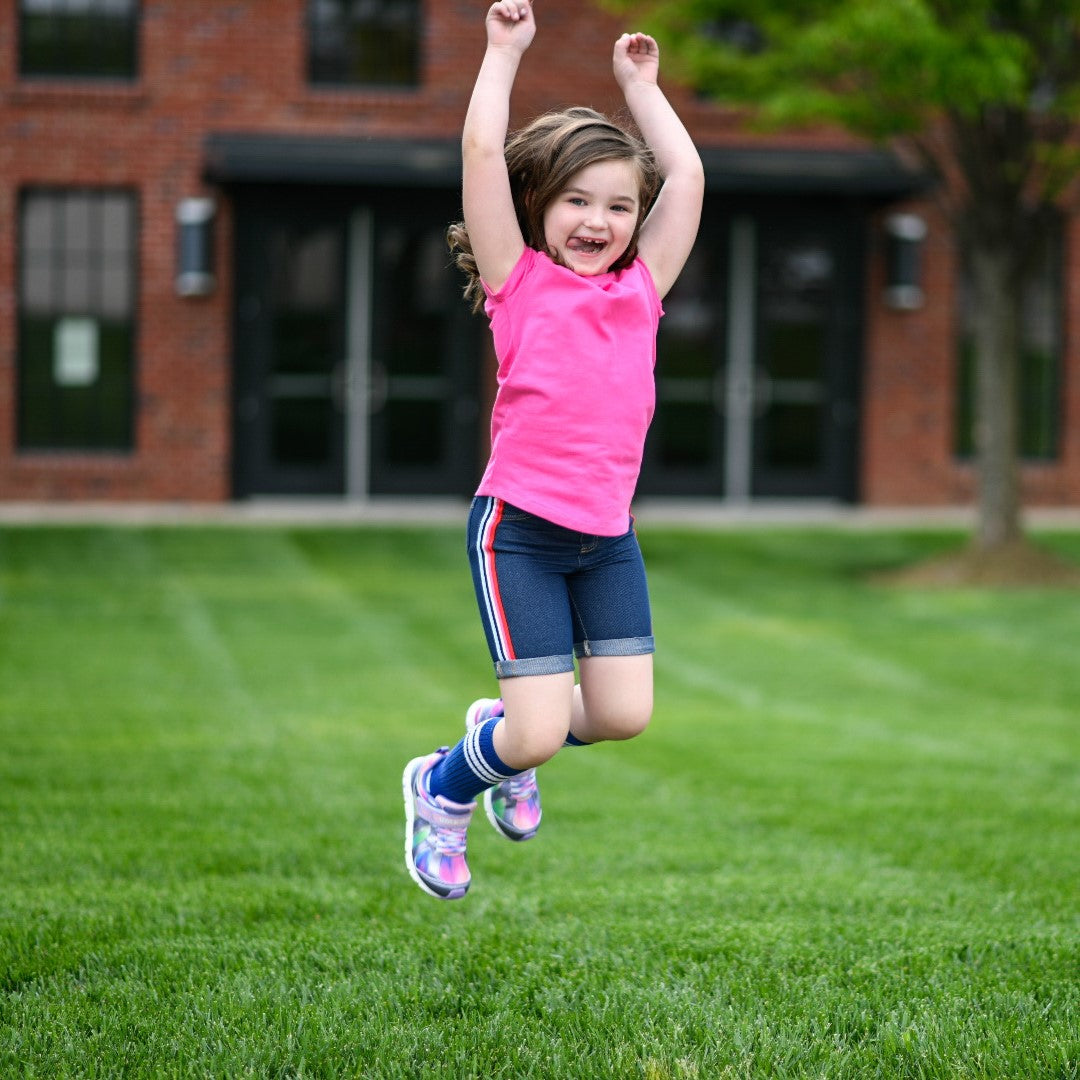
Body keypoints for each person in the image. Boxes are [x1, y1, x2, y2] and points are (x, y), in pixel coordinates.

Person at [402, 0, 703, 900]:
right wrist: (502, 53)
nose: (598, 220)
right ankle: (443, 787)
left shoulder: (641, 291)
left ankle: (505, 738)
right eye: (577, 200)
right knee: (531, 734)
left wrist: (641, 91)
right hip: (521, 534)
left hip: (606, 537)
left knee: (622, 714)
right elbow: (482, 155)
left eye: (618, 205)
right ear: (540, 206)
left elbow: (684, 175)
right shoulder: (518, 283)